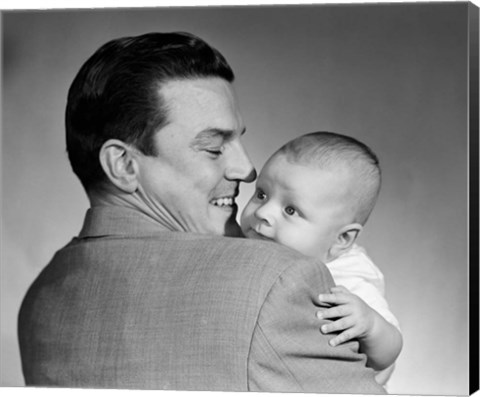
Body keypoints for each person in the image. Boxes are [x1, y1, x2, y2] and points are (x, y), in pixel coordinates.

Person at [17, 32, 385, 393]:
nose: (247, 169)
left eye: (238, 141)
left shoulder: (39, 299)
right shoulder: (275, 279)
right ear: (124, 165)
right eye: (213, 148)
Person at [241, 131, 403, 386]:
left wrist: (369, 323)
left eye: (291, 210)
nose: (263, 213)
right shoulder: (252, 243)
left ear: (341, 240)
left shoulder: (349, 279)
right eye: (261, 194)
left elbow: (389, 352)